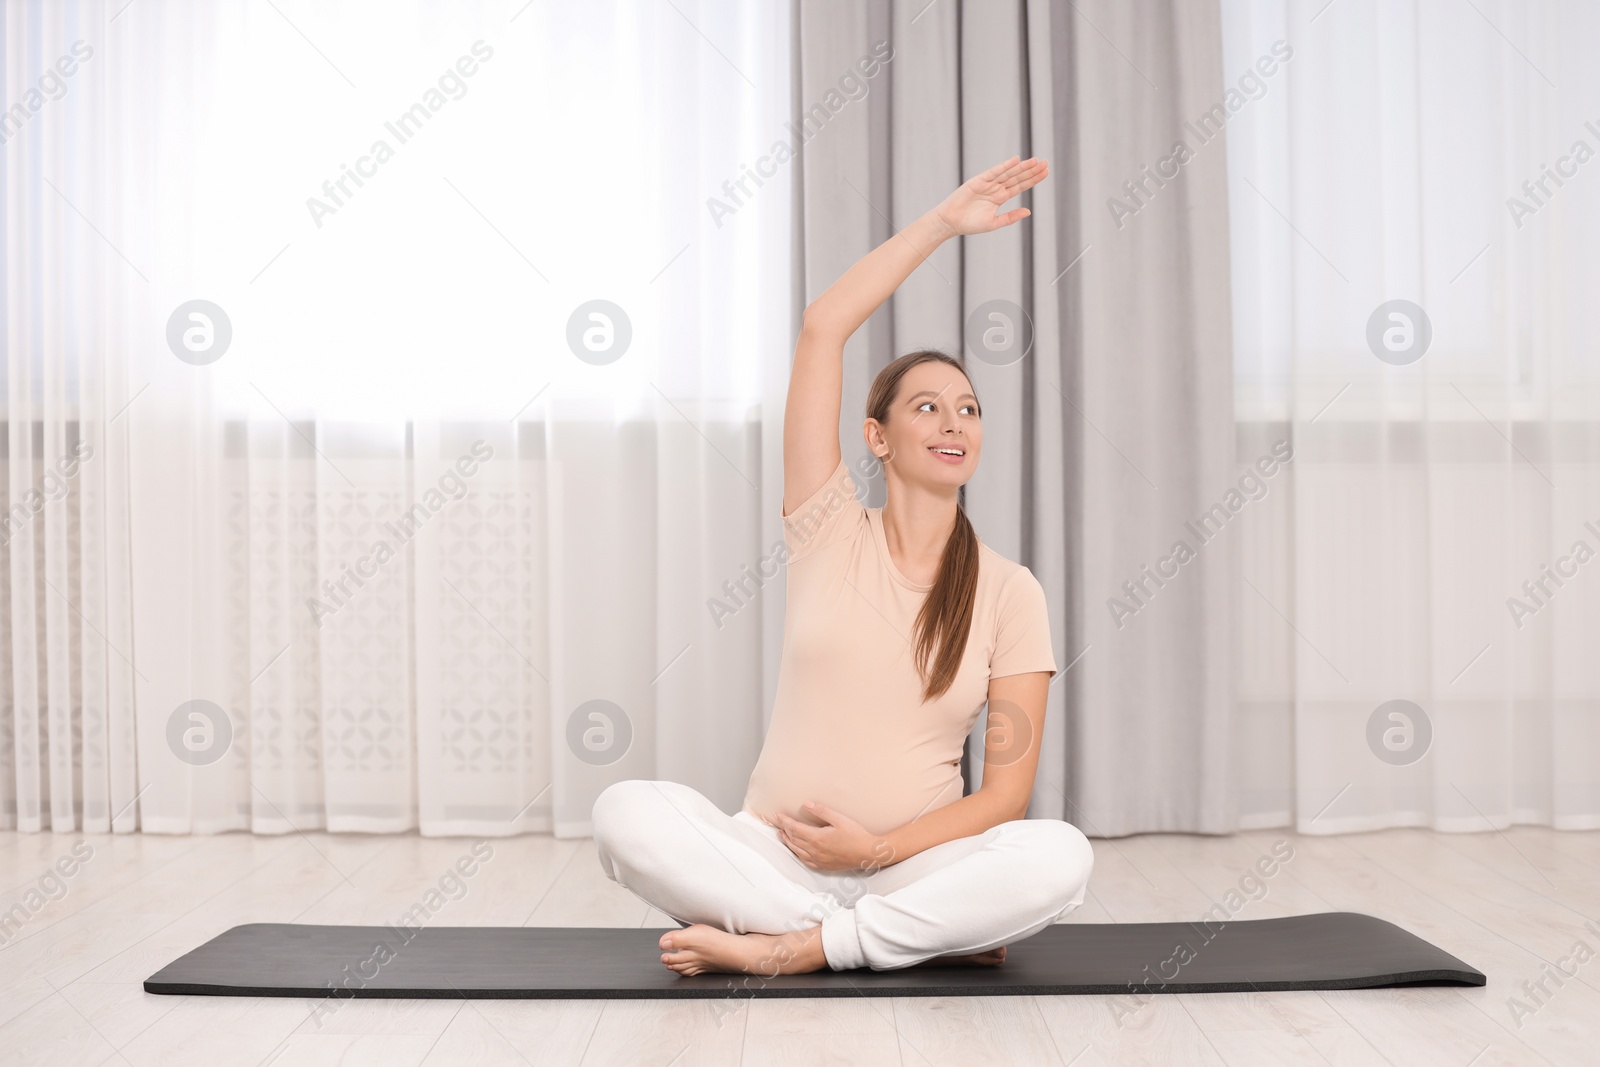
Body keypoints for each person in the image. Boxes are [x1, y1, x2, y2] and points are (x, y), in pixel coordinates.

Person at [592, 155, 1093, 976]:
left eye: (968, 407)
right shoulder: (826, 527)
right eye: (925, 405)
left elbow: (1003, 798)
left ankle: (795, 948)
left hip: (910, 861)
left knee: (1060, 854)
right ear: (877, 436)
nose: (953, 421)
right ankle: (890, 935)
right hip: (773, 856)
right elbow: (825, 323)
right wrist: (942, 223)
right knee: (625, 812)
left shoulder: (1011, 591)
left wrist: (876, 849)